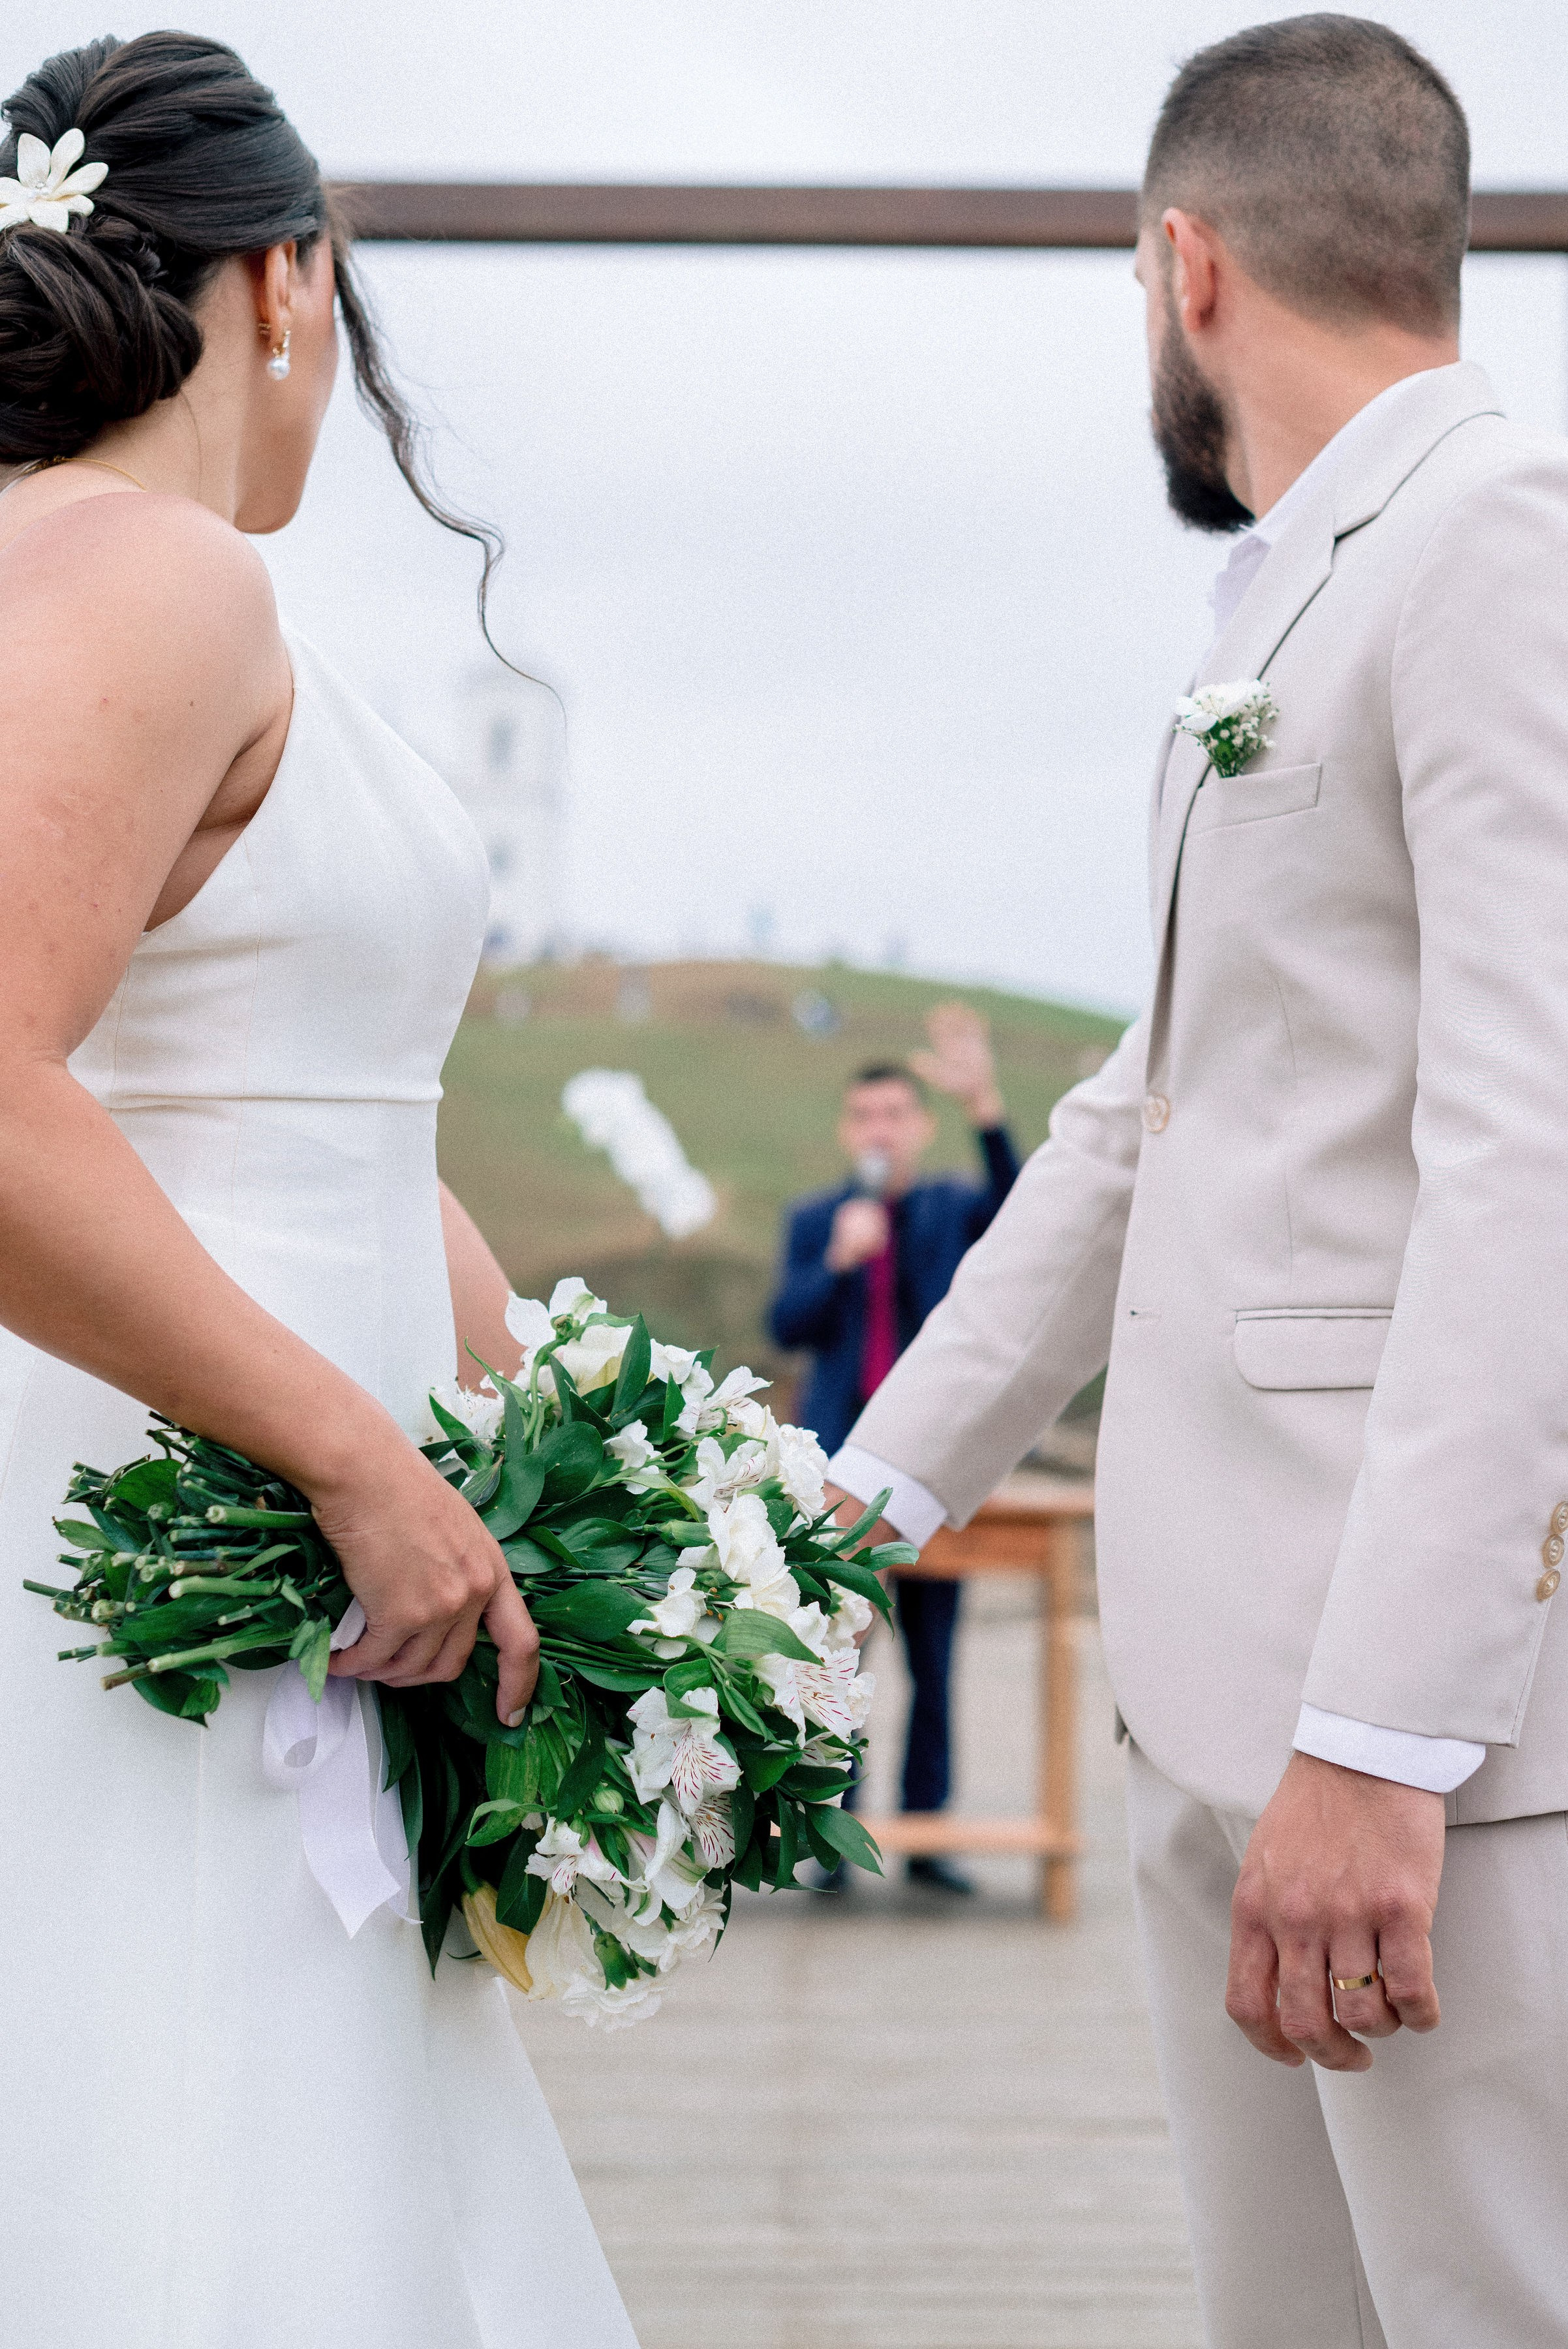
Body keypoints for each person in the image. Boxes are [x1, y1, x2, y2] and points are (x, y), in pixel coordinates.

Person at [825, 16, 1568, 2344]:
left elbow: (1529, 1161)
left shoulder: (1496, 542)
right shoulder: (1287, 594)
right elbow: (1132, 1137)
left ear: (1184, 266)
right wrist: (856, 1512)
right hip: (1208, 1709)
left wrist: (1377, 1737)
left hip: (1417, 1751)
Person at [0, 34, 636, 2346]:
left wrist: (599, 1447)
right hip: (203, 1546)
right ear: (291, 282)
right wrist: (359, 1460)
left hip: (328, 1539)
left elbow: (319, 1110)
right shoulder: (146, 572)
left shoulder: (125, 580)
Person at [770, 1005, 1019, 1890]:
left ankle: (927, 1838)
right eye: (865, 1116)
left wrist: (986, 1106)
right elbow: (785, 1323)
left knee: (935, 1658)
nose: (880, 1129)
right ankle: (831, 1839)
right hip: (841, 1469)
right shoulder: (817, 1218)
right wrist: (837, 1262)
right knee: (838, 1657)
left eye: (895, 1115)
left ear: (919, 1124)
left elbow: (1023, 1214)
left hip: (935, 1466)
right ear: (850, 1128)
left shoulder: (952, 1210)